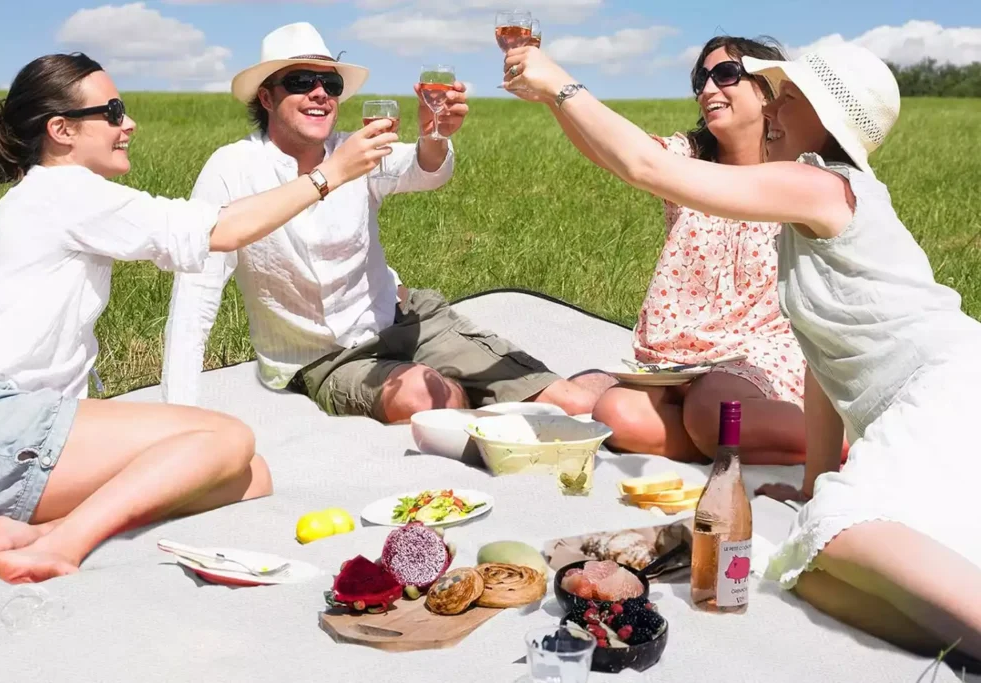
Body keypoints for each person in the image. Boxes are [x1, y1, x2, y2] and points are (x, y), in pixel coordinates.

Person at [502, 43, 981, 662]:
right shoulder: (805, 208)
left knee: (837, 537)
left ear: (828, 116)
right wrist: (813, 482)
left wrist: (558, 83)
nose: (773, 107)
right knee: (812, 574)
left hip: (943, 385)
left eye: (787, 96)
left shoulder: (821, 184)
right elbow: (822, 360)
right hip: (914, 397)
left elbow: (648, 167)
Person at [0, 52, 398, 583]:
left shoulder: (48, 195)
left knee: (248, 476)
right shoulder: (63, 191)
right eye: (114, 112)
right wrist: (329, 174)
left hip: (5, 429)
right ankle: (61, 545)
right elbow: (222, 231)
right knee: (227, 440)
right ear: (61, 130)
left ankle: (33, 532)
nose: (129, 124)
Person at [160, 23, 597, 424]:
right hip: (326, 359)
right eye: (299, 82)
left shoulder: (353, 147)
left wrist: (434, 134)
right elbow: (195, 296)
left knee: (571, 404)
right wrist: (178, 416)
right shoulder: (233, 168)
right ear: (267, 97)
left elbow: (425, 170)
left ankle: (545, 388)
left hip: (405, 320)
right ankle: (473, 403)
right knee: (427, 400)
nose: (320, 93)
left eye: (329, 83)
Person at [563, 36, 812, 466]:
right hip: (679, 358)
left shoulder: (796, 171)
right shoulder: (688, 160)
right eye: (702, 78)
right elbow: (616, 153)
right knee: (614, 414)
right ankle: (729, 443)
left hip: (758, 350)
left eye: (726, 74)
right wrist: (554, 97)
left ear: (767, 86)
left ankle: (842, 445)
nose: (708, 89)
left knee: (714, 410)